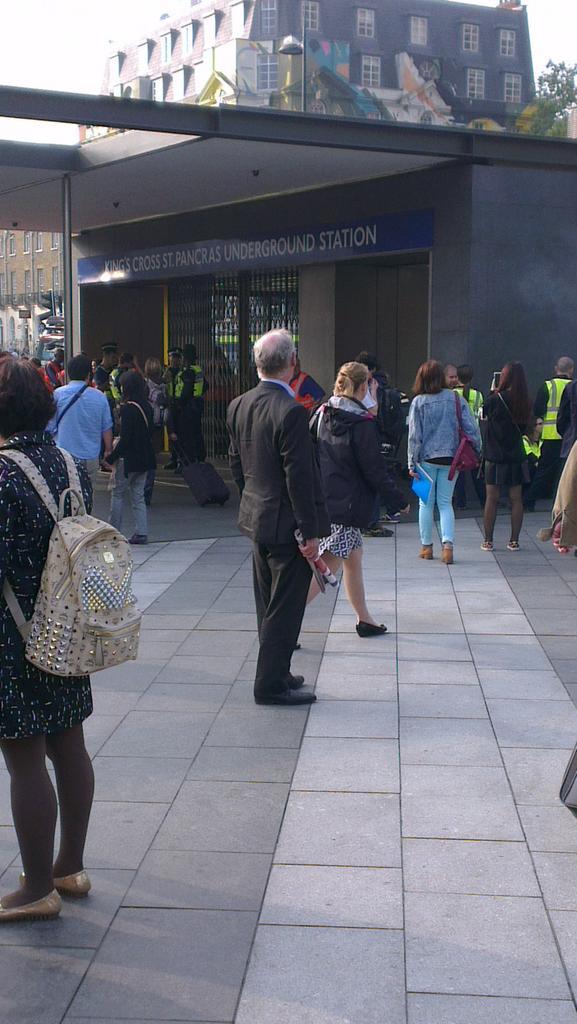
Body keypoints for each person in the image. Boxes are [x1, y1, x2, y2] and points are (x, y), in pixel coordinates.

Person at [0, 358, 94, 921]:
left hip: (14, 638)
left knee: (25, 761)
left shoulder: (3, 475)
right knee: (69, 746)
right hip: (67, 629)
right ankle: (69, 865)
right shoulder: (70, 463)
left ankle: (37, 889)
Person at [227, 329, 329, 707]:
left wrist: (251, 498)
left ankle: (278, 670)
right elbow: (298, 477)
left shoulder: (238, 404)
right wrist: (309, 530)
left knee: (267, 601)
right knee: (284, 608)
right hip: (287, 523)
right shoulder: (291, 413)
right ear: (292, 363)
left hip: (257, 515)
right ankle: (269, 684)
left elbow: (237, 463)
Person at [308, 361, 408, 635]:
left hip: (330, 499)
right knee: (326, 568)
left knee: (353, 558)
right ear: (364, 386)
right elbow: (375, 470)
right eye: (371, 385)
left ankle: (364, 618)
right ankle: (283, 627)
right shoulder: (361, 425)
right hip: (349, 505)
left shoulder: (322, 413)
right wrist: (398, 500)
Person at [408, 359, 481, 563]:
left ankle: (427, 547)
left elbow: (414, 436)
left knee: (425, 503)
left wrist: (411, 463)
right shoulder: (456, 399)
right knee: (445, 503)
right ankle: (447, 547)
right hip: (452, 459)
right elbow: (471, 429)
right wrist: (477, 449)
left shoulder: (418, 402)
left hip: (425, 461)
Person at [481, 361, 532, 551]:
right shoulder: (525, 401)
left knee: (491, 497)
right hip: (516, 453)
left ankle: (488, 540)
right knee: (516, 498)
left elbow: (483, 415)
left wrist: (492, 391)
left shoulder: (494, 399)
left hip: (494, 455)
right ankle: (514, 540)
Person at [355, 350, 406, 535]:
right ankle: (375, 517)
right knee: (376, 475)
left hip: (375, 436)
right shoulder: (373, 384)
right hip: (378, 437)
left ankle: (372, 520)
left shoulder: (372, 386)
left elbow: (373, 412)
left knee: (374, 476)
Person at [103, 370, 155, 545]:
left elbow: (125, 440)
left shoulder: (128, 409)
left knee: (117, 494)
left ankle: (113, 531)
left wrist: (110, 459)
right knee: (138, 496)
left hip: (129, 460)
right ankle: (142, 532)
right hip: (146, 458)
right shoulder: (147, 406)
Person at [49, 353, 113, 486]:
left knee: (67, 496)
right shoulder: (100, 397)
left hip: (64, 456)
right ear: (89, 374)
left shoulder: (58, 395)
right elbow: (106, 427)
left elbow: (49, 427)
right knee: (88, 497)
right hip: (90, 456)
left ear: (68, 373)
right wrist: (108, 450)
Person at [524, 356, 574, 510]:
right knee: (566, 474)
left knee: (543, 472)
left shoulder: (548, 386)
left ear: (555, 368)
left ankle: (528, 501)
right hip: (569, 437)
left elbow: (538, 410)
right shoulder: (574, 386)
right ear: (571, 370)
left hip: (550, 436)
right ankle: (561, 504)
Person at [453, 364, 485, 510]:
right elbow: (481, 415)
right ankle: (483, 500)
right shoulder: (478, 395)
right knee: (476, 469)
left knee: (459, 471)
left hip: (457, 437)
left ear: (457, 377)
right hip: (474, 436)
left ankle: (460, 503)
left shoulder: (452, 394)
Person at [143, 357, 168, 505]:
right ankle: (148, 491)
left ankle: (145, 491)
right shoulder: (164, 386)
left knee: (148, 459)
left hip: (148, 423)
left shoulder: (146, 386)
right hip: (159, 423)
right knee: (152, 459)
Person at [163, 347, 184, 470]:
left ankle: (181, 460)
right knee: (171, 433)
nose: (175, 360)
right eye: (173, 357)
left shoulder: (183, 371)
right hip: (170, 405)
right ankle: (173, 458)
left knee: (180, 434)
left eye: (177, 357)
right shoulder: (167, 371)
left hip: (180, 406)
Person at [522, 415, 544, 507]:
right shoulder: (524, 440)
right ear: (533, 427)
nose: (542, 426)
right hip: (529, 467)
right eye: (540, 424)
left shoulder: (542, 440)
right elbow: (529, 455)